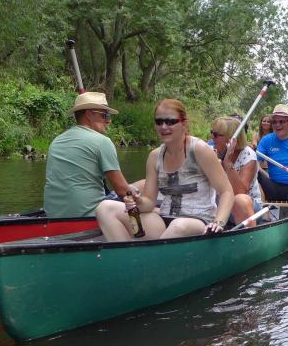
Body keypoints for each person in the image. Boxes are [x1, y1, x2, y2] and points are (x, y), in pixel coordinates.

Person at [96, 99, 233, 241]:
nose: (163, 126)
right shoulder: (154, 156)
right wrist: (138, 201)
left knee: (178, 225)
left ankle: (149, 253)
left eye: (170, 121)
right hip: (164, 219)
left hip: (198, 222)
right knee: (105, 208)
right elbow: (149, 202)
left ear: (184, 124)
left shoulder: (200, 149)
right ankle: (128, 253)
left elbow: (226, 191)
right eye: (159, 122)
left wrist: (219, 222)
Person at [43, 91, 138, 218]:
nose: (109, 121)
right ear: (88, 114)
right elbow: (123, 192)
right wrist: (147, 205)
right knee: (142, 185)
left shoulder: (56, 141)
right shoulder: (102, 142)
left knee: (137, 186)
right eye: (104, 115)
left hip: (53, 215)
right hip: (90, 214)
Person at [210, 116, 262, 227]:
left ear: (231, 139)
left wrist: (227, 163)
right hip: (218, 204)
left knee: (240, 200)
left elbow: (240, 191)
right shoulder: (210, 151)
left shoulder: (248, 155)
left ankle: (248, 235)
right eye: (212, 133)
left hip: (246, 206)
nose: (212, 137)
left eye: (216, 135)